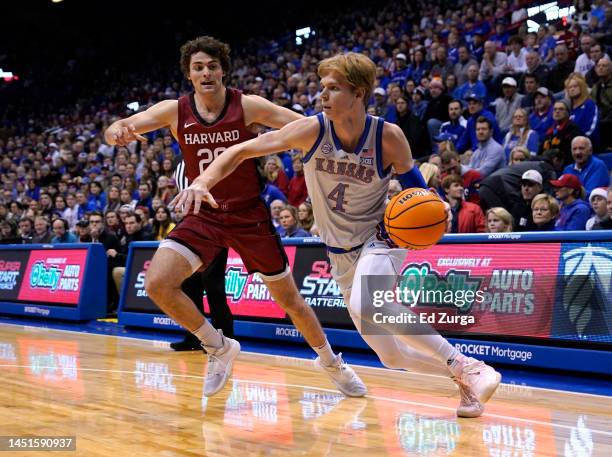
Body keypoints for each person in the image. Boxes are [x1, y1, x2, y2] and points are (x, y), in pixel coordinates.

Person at [181, 51, 501, 417]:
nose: (323, 95)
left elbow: (416, 186)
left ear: (359, 93)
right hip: (339, 252)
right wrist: (203, 179)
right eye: (322, 87)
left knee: (371, 303)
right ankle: (462, 378)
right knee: (391, 355)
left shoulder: (388, 136)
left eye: (333, 88)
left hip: (382, 237)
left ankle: (467, 366)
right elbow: (242, 150)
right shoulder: (312, 129)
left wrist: (437, 202)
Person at [105, 36, 366, 398]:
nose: (206, 72)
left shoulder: (248, 106)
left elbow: (306, 127)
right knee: (158, 284)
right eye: (198, 67)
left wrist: (349, 141)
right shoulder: (174, 110)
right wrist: (116, 130)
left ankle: (331, 363)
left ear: (223, 70)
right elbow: (122, 124)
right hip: (205, 213)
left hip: (249, 214)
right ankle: (218, 346)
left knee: (291, 301)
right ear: (189, 75)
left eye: (212, 65)